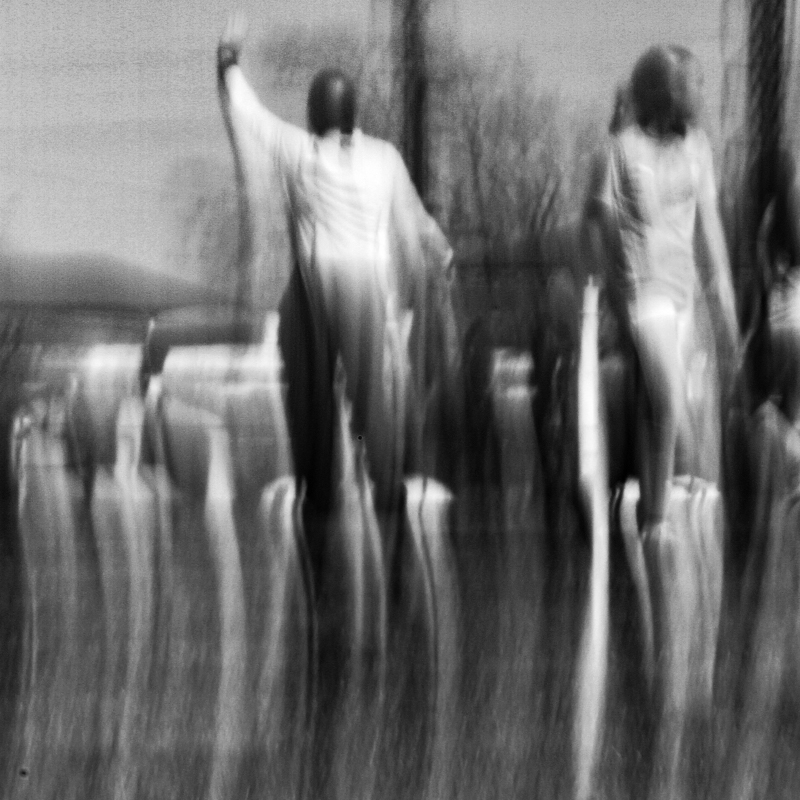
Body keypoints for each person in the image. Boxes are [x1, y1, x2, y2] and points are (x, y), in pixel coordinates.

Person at [216, 16, 457, 576]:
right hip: (369, 285)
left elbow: (248, 113)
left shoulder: (301, 152)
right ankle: (391, 522)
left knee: (314, 407)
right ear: (352, 112)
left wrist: (227, 58)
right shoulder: (384, 158)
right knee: (374, 407)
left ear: (314, 113)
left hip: (317, 287)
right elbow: (416, 220)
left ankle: (319, 522)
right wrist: (443, 253)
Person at [600, 45, 738, 540]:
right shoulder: (625, 148)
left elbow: (711, 228)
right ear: (666, 88)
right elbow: (607, 226)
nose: (701, 90)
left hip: (685, 296)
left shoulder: (699, 147)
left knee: (658, 410)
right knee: (670, 401)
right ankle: (659, 519)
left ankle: (653, 518)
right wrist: (619, 292)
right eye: (692, 82)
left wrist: (725, 298)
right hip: (646, 294)